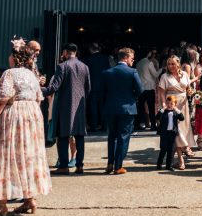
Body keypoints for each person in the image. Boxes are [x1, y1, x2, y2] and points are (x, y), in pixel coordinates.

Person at [0, 38, 52, 216]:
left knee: (5, 154)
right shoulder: (31, 75)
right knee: (27, 156)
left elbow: (2, 99)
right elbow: (38, 97)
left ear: (14, 58)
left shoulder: (9, 74)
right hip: (32, 116)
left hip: (14, 115)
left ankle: (1, 204)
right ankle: (29, 199)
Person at [44, 43, 91, 175]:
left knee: (63, 136)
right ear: (76, 52)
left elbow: (54, 87)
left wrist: (40, 90)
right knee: (80, 136)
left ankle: (64, 166)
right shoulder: (85, 67)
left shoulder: (62, 66)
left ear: (65, 52)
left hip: (64, 106)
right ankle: (80, 166)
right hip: (80, 107)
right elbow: (88, 88)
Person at [100, 48, 144, 174]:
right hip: (127, 109)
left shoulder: (107, 72)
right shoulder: (132, 72)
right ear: (125, 57)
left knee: (111, 136)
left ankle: (110, 163)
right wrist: (132, 97)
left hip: (110, 108)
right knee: (123, 136)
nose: (133, 60)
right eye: (132, 58)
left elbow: (102, 93)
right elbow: (140, 89)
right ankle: (118, 166)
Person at [157, 56, 195, 165]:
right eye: (169, 64)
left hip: (183, 106)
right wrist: (165, 106)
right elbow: (161, 92)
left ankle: (171, 158)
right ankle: (180, 158)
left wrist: (191, 93)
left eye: (173, 64)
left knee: (183, 129)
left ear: (178, 64)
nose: (170, 66)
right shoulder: (165, 76)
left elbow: (188, 88)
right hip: (171, 105)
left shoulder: (185, 74)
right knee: (176, 130)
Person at [84, 43, 112, 131]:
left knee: (93, 107)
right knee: (103, 107)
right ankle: (105, 125)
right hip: (103, 86)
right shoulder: (105, 58)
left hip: (92, 87)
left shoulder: (88, 59)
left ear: (90, 49)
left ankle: (93, 126)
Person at [156, 95, 185, 170]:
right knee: (163, 149)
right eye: (168, 103)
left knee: (170, 150)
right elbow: (157, 117)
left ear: (175, 104)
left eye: (171, 104)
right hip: (164, 133)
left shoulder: (175, 112)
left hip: (172, 133)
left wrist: (177, 110)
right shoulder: (163, 112)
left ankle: (168, 166)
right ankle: (159, 164)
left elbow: (182, 118)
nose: (169, 105)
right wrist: (163, 109)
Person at [135, 49, 159, 131]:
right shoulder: (149, 63)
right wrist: (162, 69)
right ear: (148, 53)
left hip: (141, 88)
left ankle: (137, 124)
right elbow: (155, 74)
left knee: (140, 108)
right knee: (151, 107)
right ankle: (153, 125)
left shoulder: (138, 63)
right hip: (149, 87)